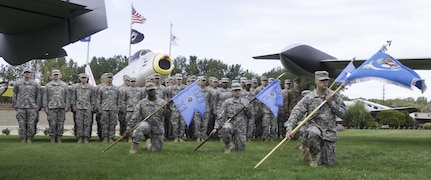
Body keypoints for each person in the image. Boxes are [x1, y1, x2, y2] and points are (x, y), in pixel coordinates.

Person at [285, 71, 347, 167]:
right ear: (316, 81)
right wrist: (289, 128)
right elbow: (296, 113)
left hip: (329, 132)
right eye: (322, 80)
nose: (324, 83)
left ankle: (309, 154)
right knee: (313, 133)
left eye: (326, 80)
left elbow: (344, 114)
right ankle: (313, 158)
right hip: (314, 127)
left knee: (328, 163)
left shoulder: (334, 95)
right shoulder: (309, 97)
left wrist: (331, 103)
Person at [211, 83, 251, 153]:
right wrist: (216, 127)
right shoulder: (227, 102)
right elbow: (221, 115)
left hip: (241, 125)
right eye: (235, 90)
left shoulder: (245, 101)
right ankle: (228, 145)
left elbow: (249, 116)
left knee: (240, 148)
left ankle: (236, 145)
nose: (237, 92)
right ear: (232, 92)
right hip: (231, 123)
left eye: (239, 90)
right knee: (226, 128)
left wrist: (247, 109)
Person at [129, 83, 169, 154]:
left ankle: (148, 144)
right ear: (146, 91)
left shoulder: (162, 102)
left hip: (157, 126)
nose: (152, 92)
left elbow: (167, 115)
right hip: (147, 123)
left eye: (153, 90)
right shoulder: (142, 103)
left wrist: (168, 107)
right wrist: (129, 127)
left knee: (156, 150)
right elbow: (135, 116)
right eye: (150, 90)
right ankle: (134, 147)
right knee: (140, 127)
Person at [12, 67, 42, 143]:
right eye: (25, 72)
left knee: (31, 123)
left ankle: (29, 137)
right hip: (21, 106)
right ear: (23, 73)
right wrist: (15, 104)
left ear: (31, 74)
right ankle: (22, 138)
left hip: (32, 107)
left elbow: (38, 96)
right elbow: (14, 94)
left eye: (28, 73)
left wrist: (38, 106)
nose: (27, 74)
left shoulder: (35, 84)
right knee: (21, 123)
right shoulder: (18, 83)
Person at [43, 69, 70, 143]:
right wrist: (45, 107)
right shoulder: (48, 85)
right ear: (52, 76)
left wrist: (67, 106)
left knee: (60, 123)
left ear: (60, 76)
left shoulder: (64, 85)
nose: (56, 76)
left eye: (57, 75)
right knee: (52, 123)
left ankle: (59, 137)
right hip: (51, 107)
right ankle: (52, 137)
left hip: (61, 107)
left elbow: (67, 96)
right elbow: (45, 97)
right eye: (54, 75)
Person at [97, 73, 122, 143]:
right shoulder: (101, 89)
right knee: (104, 124)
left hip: (113, 109)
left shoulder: (116, 89)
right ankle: (105, 137)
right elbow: (99, 99)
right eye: (108, 78)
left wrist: (118, 108)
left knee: (112, 124)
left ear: (112, 78)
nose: (109, 79)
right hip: (104, 109)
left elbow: (119, 99)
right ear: (105, 79)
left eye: (110, 77)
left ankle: (111, 137)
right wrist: (99, 108)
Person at [71, 73, 96, 143]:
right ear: (79, 78)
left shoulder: (91, 87)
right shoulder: (75, 87)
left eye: (85, 78)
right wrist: (74, 106)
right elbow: (73, 97)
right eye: (82, 78)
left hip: (88, 107)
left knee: (87, 123)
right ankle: (79, 137)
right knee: (79, 123)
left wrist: (92, 106)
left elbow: (93, 98)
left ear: (87, 79)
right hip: (79, 107)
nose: (83, 79)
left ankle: (86, 137)